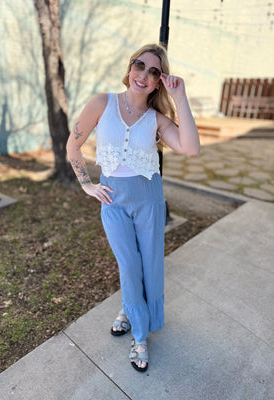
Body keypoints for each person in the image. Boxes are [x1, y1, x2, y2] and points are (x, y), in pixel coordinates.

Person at [66, 43, 200, 373]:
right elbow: (73, 144)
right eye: (140, 65)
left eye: (154, 71)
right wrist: (87, 185)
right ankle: (140, 336)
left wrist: (180, 97)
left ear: (159, 81)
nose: (144, 74)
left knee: (150, 263)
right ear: (130, 68)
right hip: (113, 199)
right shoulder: (103, 103)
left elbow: (191, 148)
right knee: (129, 264)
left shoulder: (156, 119)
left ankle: (129, 310)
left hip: (149, 199)